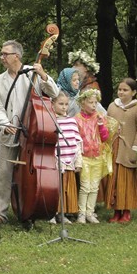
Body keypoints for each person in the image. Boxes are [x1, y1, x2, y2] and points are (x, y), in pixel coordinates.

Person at [0, 40, 59, 226]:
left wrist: (43, 75)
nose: (2, 57)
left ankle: (29, 211)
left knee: (30, 176)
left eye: (5, 54)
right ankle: (0, 212)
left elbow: (54, 93)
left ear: (16, 56)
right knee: (3, 174)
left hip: (33, 134)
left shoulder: (32, 72)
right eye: (1, 54)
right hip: (9, 133)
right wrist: (4, 123)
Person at [106, 78, 137, 223]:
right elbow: (107, 124)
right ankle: (116, 211)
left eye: (125, 90)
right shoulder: (112, 106)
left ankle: (127, 211)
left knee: (127, 180)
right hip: (114, 148)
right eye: (120, 89)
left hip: (128, 149)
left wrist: (136, 148)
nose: (121, 92)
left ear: (134, 92)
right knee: (115, 179)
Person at [74, 89, 112, 224]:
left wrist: (101, 125)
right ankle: (81, 214)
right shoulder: (77, 119)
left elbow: (105, 137)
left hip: (97, 156)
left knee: (94, 186)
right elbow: (75, 138)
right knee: (85, 186)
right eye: (90, 102)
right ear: (82, 103)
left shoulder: (99, 117)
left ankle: (90, 212)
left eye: (95, 102)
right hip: (83, 157)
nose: (94, 105)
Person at [50, 91, 82, 224]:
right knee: (54, 189)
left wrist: (78, 162)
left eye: (66, 104)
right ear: (52, 104)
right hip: (56, 160)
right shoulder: (51, 120)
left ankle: (63, 214)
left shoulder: (72, 121)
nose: (64, 107)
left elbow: (77, 142)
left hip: (69, 162)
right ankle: (52, 213)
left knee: (65, 190)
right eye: (60, 104)